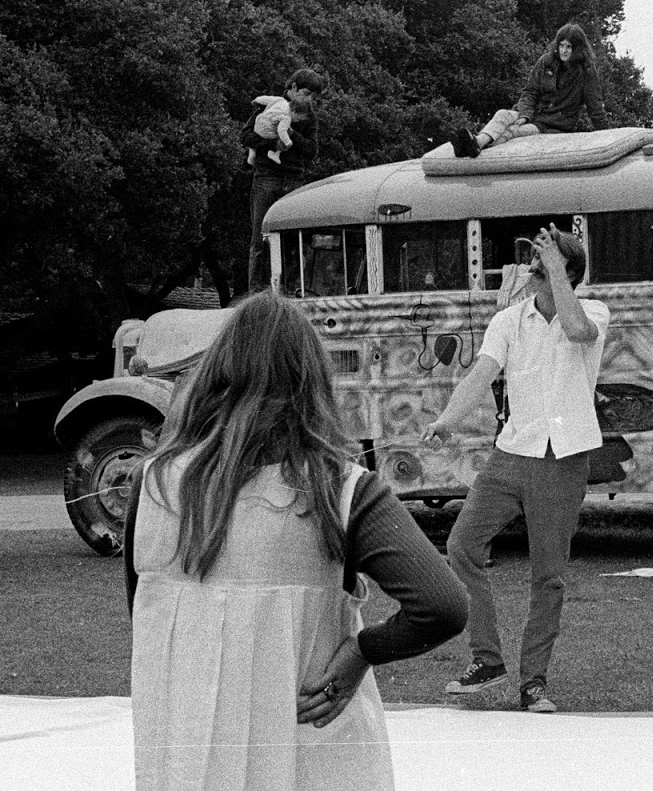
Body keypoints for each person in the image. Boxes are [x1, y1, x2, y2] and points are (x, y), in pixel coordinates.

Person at [125, 291, 468, 791]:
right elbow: (444, 605)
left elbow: (143, 613)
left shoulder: (151, 482)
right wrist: (361, 653)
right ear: (313, 384)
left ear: (215, 373)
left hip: (186, 744)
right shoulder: (341, 488)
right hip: (304, 741)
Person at [424, 225, 609, 714]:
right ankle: (487, 660)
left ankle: (534, 683)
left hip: (564, 457)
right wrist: (446, 420)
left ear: (566, 273)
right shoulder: (508, 321)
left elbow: (575, 332)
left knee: (547, 575)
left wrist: (555, 268)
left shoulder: (593, 312)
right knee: (462, 545)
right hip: (512, 453)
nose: (529, 270)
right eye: (532, 263)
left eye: (540, 264)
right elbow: (480, 373)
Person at [452, 23, 610, 158]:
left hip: (551, 125)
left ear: (577, 49)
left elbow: (595, 105)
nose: (564, 50)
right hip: (532, 113)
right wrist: (525, 115)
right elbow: (530, 92)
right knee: (502, 114)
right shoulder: (545, 62)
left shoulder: (586, 72)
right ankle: (476, 142)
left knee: (512, 131)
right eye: (561, 45)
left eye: (569, 47)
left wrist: (607, 137)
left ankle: (476, 146)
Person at [244, 67, 326, 292]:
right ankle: (256, 292)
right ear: (293, 88)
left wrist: (291, 133)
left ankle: (288, 289)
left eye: (313, 96)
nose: (310, 100)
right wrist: (272, 144)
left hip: (293, 178)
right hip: (266, 176)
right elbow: (246, 135)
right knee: (260, 238)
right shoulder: (271, 106)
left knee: (294, 239)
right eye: (307, 93)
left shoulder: (309, 116)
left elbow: (312, 150)